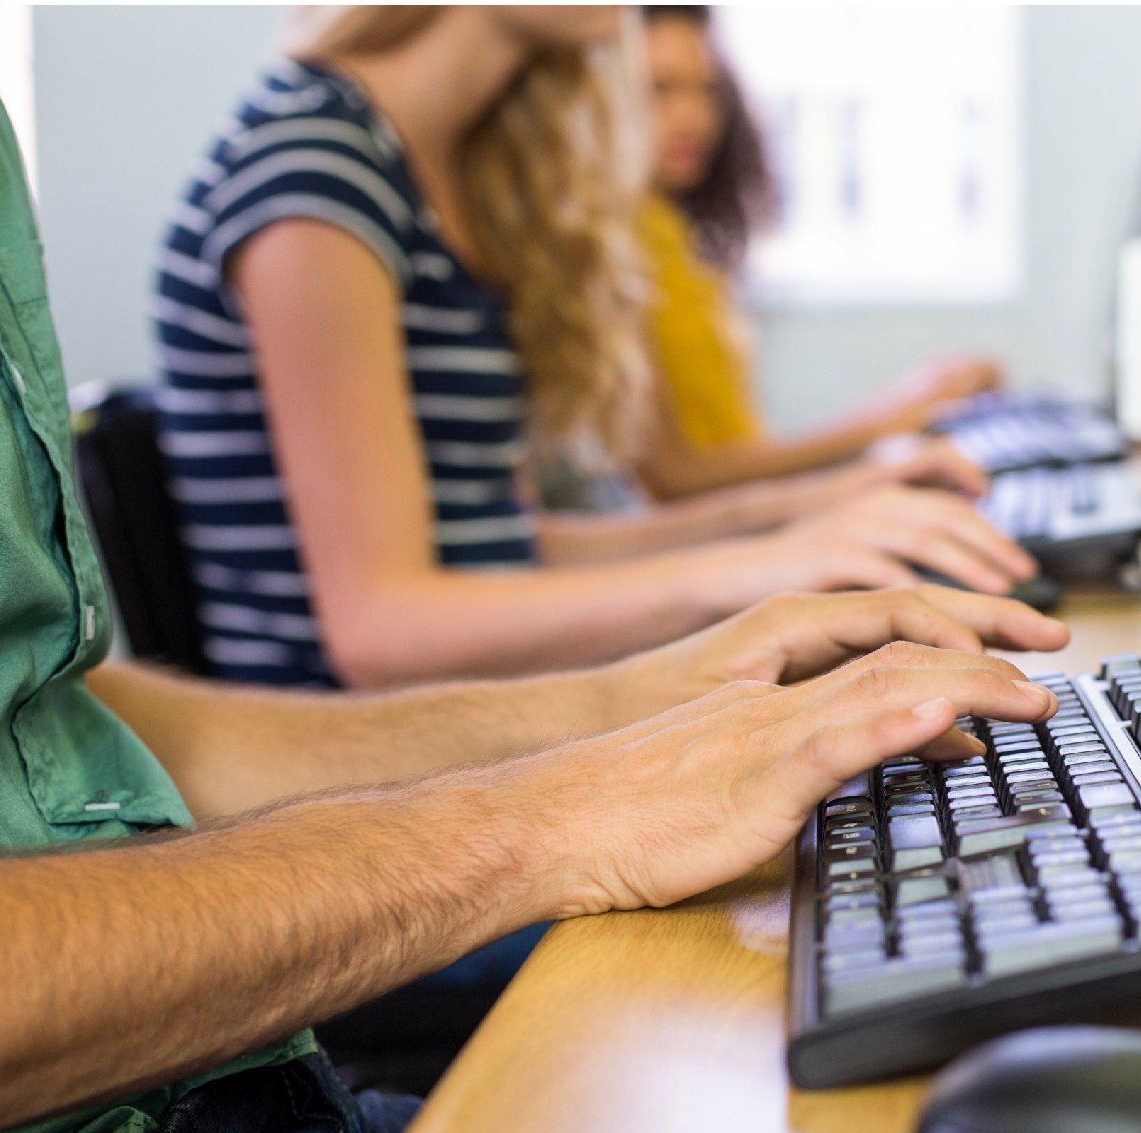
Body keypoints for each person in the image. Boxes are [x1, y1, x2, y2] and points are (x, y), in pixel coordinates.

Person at [0, 8, 1068, 1133]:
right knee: (791, 1036)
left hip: (191, 1100)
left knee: (848, 997)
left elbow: (36, 732)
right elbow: (381, 621)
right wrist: (573, 786)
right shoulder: (313, 171)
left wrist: (656, 686)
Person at [156, 5, 1033, 690]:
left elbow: (493, 547)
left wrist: (805, 526)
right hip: (366, 790)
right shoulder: (315, 170)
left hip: (473, 726)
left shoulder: (443, 167)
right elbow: (381, 632)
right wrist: (751, 570)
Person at [631, 4, 1007, 500]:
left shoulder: (671, 237)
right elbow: (676, 478)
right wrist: (892, 417)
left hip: (735, 522)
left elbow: (732, 452)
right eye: (661, 89)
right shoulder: (607, 248)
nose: (693, 116)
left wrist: (906, 418)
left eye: (707, 91)